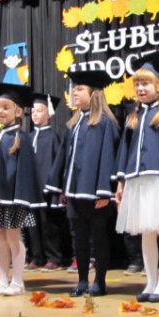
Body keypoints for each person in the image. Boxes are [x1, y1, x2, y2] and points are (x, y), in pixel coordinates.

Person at [115, 53, 159, 302]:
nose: (140, 88)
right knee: (146, 232)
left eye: (145, 83)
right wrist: (122, 183)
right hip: (138, 181)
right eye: (137, 84)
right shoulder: (133, 117)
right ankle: (150, 282)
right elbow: (125, 152)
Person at [46, 69, 119, 297]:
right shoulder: (74, 123)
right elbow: (66, 158)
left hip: (95, 192)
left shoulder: (105, 123)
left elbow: (108, 158)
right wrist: (63, 187)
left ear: (94, 93)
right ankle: (82, 280)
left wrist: (104, 191)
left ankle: (100, 281)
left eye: (79, 89)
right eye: (73, 89)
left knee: (98, 237)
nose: (74, 93)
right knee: (79, 238)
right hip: (75, 191)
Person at [0, 83, 44, 296]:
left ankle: (18, 281)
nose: (0, 111)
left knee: (14, 238)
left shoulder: (21, 138)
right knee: (1, 239)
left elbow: (25, 172)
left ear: (18, 111)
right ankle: (2, 280)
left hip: (13, 199)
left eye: (6, 107)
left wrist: (20, 197)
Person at [30, 92, 70, 271]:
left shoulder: (53, 137)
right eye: (33, 111)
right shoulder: (28, 137)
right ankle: (37, 256)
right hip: (31, 189)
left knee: (49, 225)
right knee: (33, 224)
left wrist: (57, 187)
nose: (35, 114)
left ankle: (54, 257)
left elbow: (58, 163)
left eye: (39, 111)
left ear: (49, 114)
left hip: (47, 188)